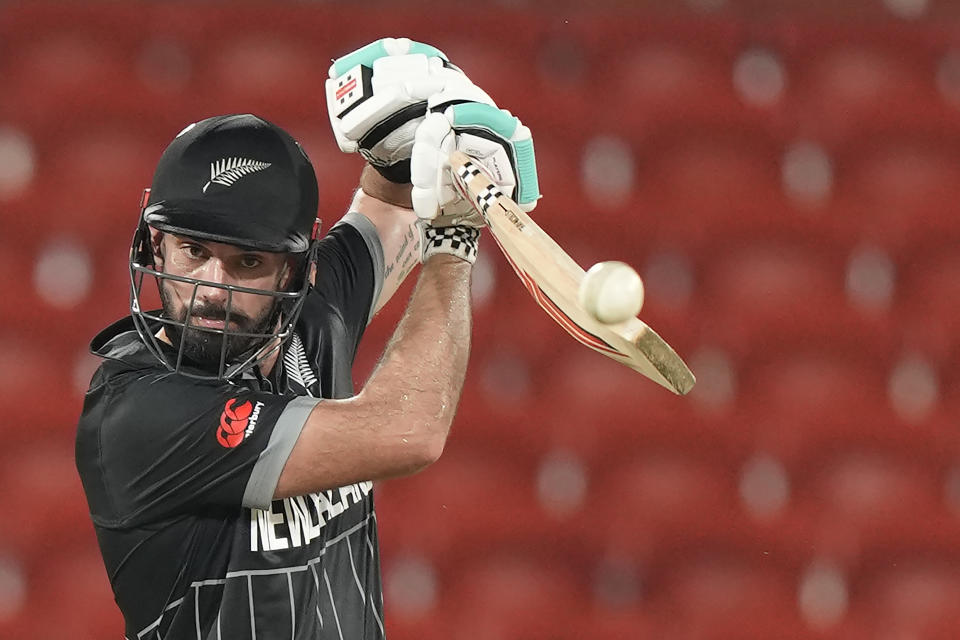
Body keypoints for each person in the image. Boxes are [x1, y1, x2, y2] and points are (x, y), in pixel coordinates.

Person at [74, 38, 538, 640]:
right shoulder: (138, 413)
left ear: (299, 271)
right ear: (153, 245)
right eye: (192, 250)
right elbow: (409, 431)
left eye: (247, 263)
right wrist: (454, 244)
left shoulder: (310, 318)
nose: (212, 288)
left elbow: (385, 204)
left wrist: (409, 129)